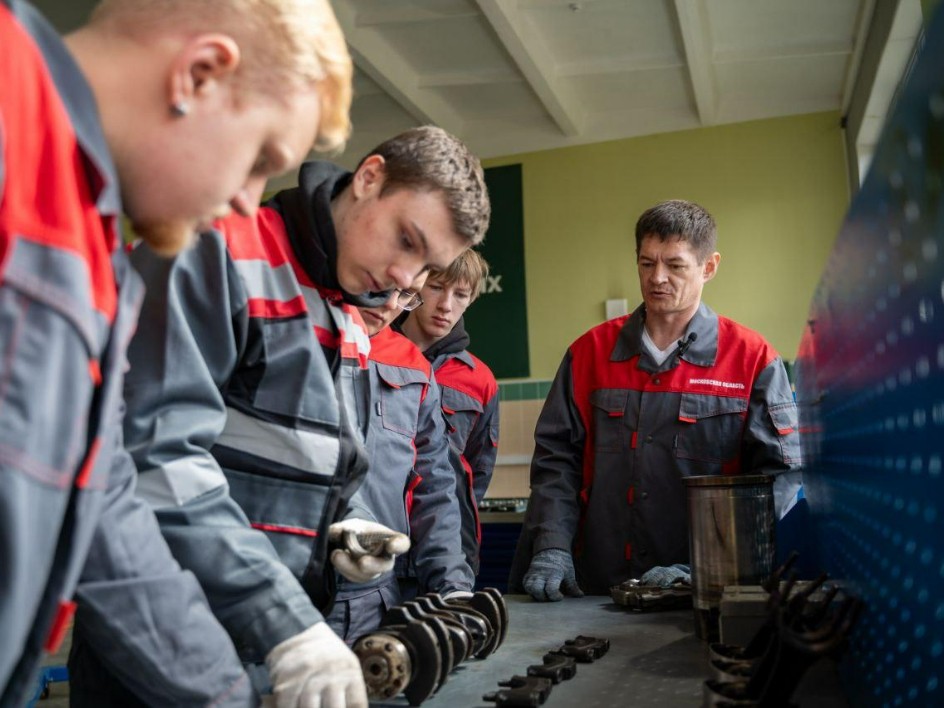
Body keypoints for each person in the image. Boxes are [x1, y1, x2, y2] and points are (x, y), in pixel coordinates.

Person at [0, 0, 351, 704]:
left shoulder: (99, 247)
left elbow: (99, 500)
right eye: (259, 160)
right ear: (199, 75)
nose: (252, 205)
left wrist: (230, 689)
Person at [70, 127, 490, 705]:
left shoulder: (342, 311)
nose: (403, 279)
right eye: (406, 240)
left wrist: (343, 527)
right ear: (368, 179)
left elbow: (303, 461)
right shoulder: (218, 253)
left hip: (263, 652)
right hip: (164, 650)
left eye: (427, 267)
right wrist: (284, 621)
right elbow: (153, 465)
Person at [509, 200, 802, 601]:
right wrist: (552, 546)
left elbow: (778, 480)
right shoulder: (589, 353)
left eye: (675, 265)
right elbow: (556, 462)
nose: (657, 278)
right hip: (594, 586)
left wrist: (705, 564)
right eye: (646, 264)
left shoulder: (751, 359)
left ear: (709, 266)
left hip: (705, 589)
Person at [325, 282, 476, 642]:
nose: (391, 305)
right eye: (380, 287)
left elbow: (435, 485)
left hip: (379, 600)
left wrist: (451, 585)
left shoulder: (413, 365)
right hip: (301, 592)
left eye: (407, 295)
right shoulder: (308, 341)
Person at [398, 250, 499, 575]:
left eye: (461, 294)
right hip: (377, 544)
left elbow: (476, 473)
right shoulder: (374, 355)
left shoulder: (479, 379)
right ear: (415, 287)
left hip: (446, 552)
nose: (446, 305)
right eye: (437, 287)